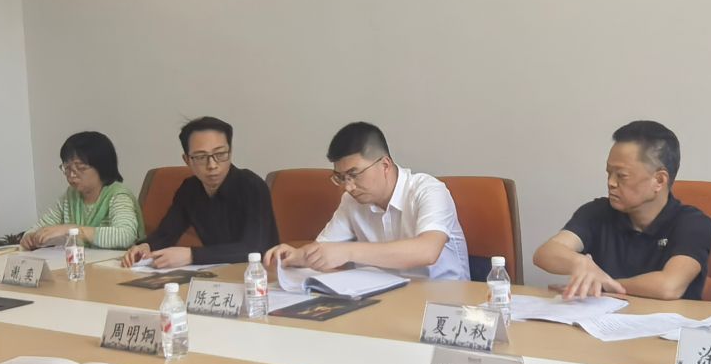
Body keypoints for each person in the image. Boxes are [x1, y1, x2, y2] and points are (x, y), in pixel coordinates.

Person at [531, 121, 711, 300]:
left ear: (659, 180)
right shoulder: (597, 212)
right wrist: (581, 263)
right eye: (609, 173)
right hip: (604, 319)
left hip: (669, 321)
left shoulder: (693, 224)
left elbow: (669, 286)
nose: (611, 182)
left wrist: (603, 284)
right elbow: (545, 253)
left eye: (621, 175)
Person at [265, 121, 468, 280]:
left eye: (354, 175)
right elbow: (326, 249)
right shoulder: (351, 201)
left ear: (385, 165)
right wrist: (297, 256)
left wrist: (348, 252)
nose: (348, 186)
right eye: (341, 177)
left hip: (441, 301)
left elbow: (427, 251)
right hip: (384, 299)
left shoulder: (429, 190)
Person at [123, 116, 278, 269]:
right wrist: (146, 246)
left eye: (220, 154)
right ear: (187, 160)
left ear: (230, 153)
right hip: (216, 273)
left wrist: (191, 255)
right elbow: (167, 233)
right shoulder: (190, 189)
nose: (212, 165)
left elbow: (253, 248)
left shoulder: (251, 185)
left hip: (261, 274)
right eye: (201, 157)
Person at [21, 130, 143, 250]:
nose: (71, 175)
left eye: (80, 167)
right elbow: (40, 227)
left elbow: (126, 235)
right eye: (67, 168)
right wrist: (30, 236)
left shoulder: (118, 195)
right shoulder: (70, 196)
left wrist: (74, 231)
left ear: (102, 167)